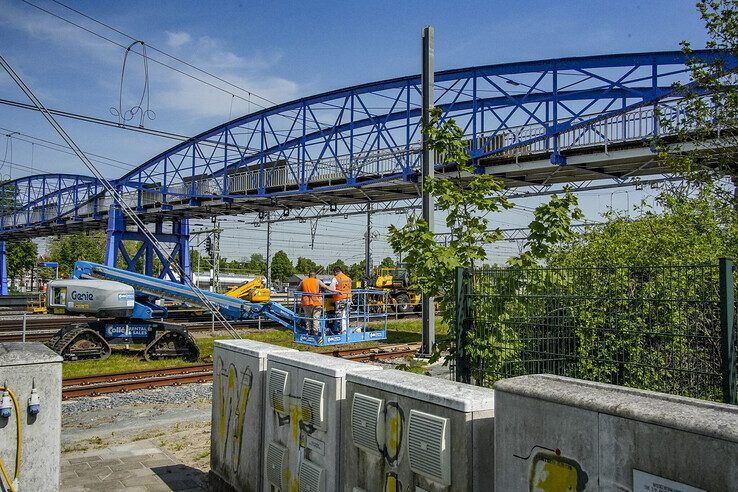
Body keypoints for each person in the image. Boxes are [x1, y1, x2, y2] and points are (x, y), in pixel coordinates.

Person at [329, 266, 352, 333]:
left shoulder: (336, 278)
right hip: (348, 298)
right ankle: (346, 330)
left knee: (340, 315)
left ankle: (341, 331)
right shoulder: (348, 278)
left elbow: (331, 289)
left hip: (340, 299)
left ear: (335, 272)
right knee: (346, 314)